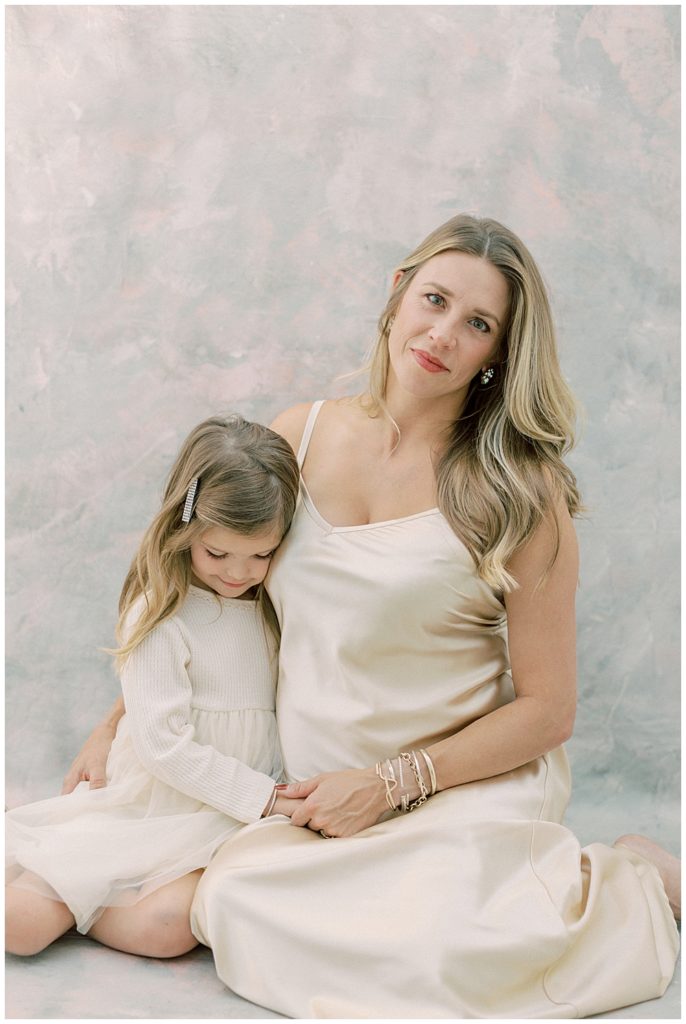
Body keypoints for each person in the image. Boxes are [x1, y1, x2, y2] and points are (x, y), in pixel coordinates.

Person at [61, 215, 679, 1017]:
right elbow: (210, 608)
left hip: (458, 784)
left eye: (478, 324)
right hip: (315, 796)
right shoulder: (298, 435)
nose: (443, 334)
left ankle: (629, 877)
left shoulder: (522, 495)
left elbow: (549, 710)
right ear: (398, 293)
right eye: (434, 299)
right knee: (236, 901)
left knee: (443, 959)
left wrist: (392, 784)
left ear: (497, 354)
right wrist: (118, 719)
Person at [6, 415, 302, 958]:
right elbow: (165, 745)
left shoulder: (275, 601)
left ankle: (86, 895)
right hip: (162, 798)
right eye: (217, 554)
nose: (239, 573)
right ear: (182, 527)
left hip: (224, 812)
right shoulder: (162, 612)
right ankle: (71, 891)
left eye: (261, 554)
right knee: (23, 927)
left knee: (173, 923)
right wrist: (266, 800)